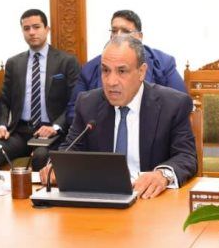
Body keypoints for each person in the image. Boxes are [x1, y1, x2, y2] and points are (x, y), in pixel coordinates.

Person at [43, 35, 196, 199]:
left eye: (122, 71)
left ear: (142, 72)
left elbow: (186, 156)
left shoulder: (172, 105)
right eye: (105, 70)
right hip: (103, 198)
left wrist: (162, 175)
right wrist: (56, 167)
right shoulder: (88, 104)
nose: (111, 82)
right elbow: (71, 149)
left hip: (150, 199)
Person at [0, 9, 80, 170]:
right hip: (20, 130)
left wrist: (56, 127)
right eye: (26, 28)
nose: (31, 32)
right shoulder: (14, 63)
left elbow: (74, 102)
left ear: (47, 29)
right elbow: (4, 101)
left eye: (36, 27)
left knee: (41, 156)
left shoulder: (67, 61)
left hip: (51, 130)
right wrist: (2, 125)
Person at [68, 10, 186, 122]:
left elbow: (180, 104)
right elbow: (74, 111)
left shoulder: (163, 63)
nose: (118, 35)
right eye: (114, 31)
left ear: (139, 36)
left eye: (125, 31)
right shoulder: (90, 68)